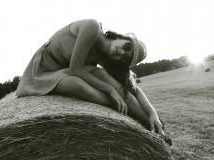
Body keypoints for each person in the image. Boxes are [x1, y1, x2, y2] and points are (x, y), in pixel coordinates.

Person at [16, 19, 164, 135]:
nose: (122, 53)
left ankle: (155, 127)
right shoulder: (92, 26)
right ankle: (129, 113)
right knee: (78, 84)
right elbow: (75, 69)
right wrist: (110, 90)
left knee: (115, 85)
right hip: (44, 70)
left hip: (64, 71)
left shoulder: (104, 58)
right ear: (121, 37)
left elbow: (131, 89)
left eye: (125, 58)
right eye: (127, 47)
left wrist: (153, 113)